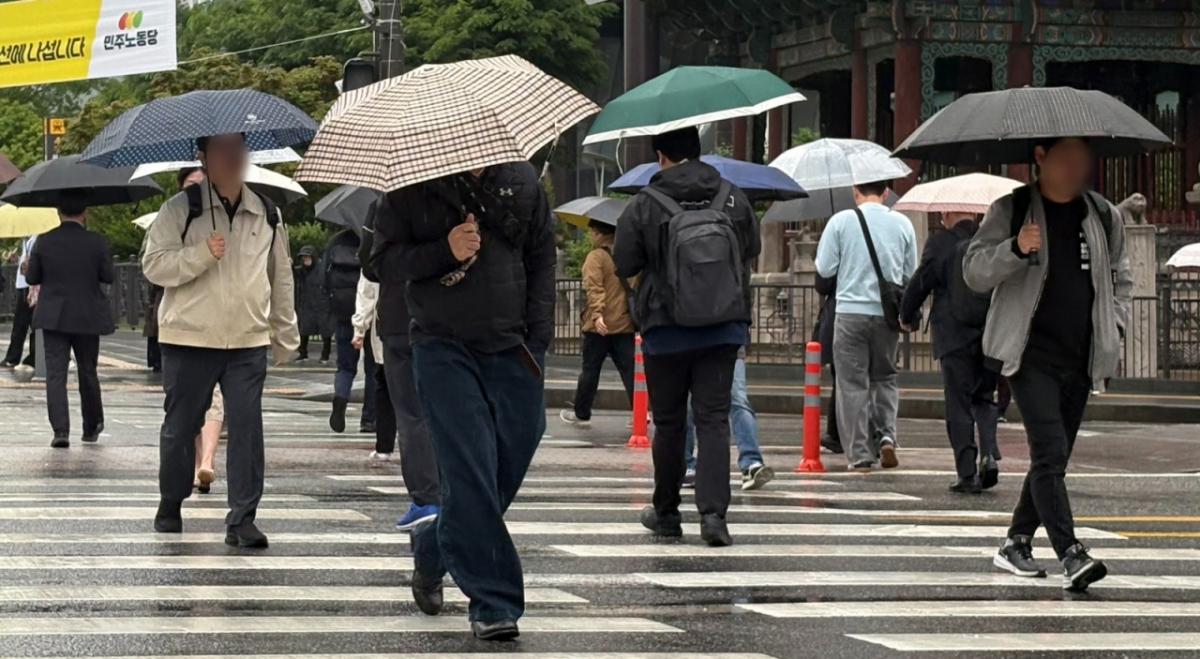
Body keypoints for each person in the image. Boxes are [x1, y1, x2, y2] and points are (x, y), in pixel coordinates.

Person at [371, 161, 553, 641]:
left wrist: (538, 339)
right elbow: (381, 262)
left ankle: (432, 543)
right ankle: (494, 602)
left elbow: (542, 256)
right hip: (441, 345)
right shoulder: (411, 185)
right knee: (471, 468)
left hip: (513, 345)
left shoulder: (522, 180)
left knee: (509, 459)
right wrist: (443, 250)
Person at [964, 136, 1131, 592]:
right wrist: (1015, 248)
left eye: (1084, 159)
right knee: (1051, 453)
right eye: (1067, 159)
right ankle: (1071, 553)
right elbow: (974, 272)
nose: (1078, 168)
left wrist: (1114, 327)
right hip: (1028, 355)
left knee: (1051, 460)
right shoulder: (1012, 209)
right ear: (1041, 157)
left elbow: (1123, 276)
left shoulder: (1101, 214)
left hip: (1081, 357)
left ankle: (1015, 541)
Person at [143, 132, 299, 548]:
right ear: (204, 156)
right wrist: (200, 255)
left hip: (247, 339)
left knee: (248, 428)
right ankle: (170, 502)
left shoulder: (267, 213)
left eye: (238, 149)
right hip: (189, 338)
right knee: (181, 427)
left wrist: (285, 334)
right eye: (222, 150)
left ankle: (242, 519)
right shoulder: (181, 210)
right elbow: (153, 266)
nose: (232, 157)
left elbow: (279, 276)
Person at [613, 126, 761, 548]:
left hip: (666, 328)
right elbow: (750, 248)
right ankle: (714, 516)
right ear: (699, 153)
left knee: (670, 423)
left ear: (660, 156)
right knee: (713, 419)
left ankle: (666, 511)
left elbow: (624, 261)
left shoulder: (646, 202)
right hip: (723, 324)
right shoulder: (731, 195)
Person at [815, 181, 917, 473]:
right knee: (885, 377)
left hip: (849, 313)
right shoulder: (902, 223)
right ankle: (887, 434)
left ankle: (860, 454)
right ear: (886, 193)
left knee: (851, 384)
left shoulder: (841, 221)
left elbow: (824, 269)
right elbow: (910, 272)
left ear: (855, 192)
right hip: (886, 315)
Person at [901, 211, 999, 494]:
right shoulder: (991, 240)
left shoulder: (940, 243)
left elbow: (922, 281)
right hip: (990, 333)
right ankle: (989, 454)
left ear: (948, 214)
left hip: (954, 335)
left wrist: (907, 314)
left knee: (958, 401)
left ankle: (966, 473)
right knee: (984, 397)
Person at [359, 208, 440, 533]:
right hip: (446, 318)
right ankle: (453, 490)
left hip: (398, 317)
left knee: (410, 413)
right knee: (444, 411)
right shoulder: (458, 193)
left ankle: (426, 496)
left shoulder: (387, 201)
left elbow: (371, 264)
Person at [24, 192, 114, 448]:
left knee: (55, 374)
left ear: (58, 212)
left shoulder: (45, 241)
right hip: (87, 315)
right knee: (88, 370)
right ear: (84, 211)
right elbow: (108, 276)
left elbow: (32, 278)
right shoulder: (97, 242)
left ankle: (60, 430)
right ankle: (92, 425)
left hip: (54, 315)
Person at [559, 219, 635, 428]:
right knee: (631, 372)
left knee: (590, 370)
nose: (591, 236)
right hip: (625, 323)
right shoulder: (629, 256)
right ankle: (639, 413)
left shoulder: (596, 257)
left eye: (592, 232)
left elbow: (594, 287)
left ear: (600, 233)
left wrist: (597, 314)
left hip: (598, 327)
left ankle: (582, 412)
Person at [682, 347, 774, 490]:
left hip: (728, 342)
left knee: (739, 401)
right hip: (691, 343)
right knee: (686, 405)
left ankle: (750, 463)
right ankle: (686, 464)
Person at [325, 227, 376, 434]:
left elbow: (324, 278)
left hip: (343, 311)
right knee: (373, 368)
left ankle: (341, 397)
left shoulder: (336, 241)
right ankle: (369, 419)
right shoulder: (375, 238)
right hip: (371, 314)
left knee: (345, 367)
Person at [350, 272, 395, 462]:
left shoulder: (376, 248)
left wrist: (360, 328)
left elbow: (366, 293)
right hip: (419, 324)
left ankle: (384, 446)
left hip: (386, 326)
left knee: (385, 388)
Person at [814, 274, 842, 454]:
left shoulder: (839, 244)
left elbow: (823, 283)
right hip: (880, 310)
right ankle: (883, 434)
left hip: (844, 310)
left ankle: (838, 434)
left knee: (843, 380)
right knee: (881, 379)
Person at [3, 233, 37, 368]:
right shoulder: (26, 240)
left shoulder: (38, 238)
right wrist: (16, 259)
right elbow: (24, 263)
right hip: (23, 284)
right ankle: (13, 357)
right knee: (20, 323)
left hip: (32, 286)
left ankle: (32, 357)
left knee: (33, 323)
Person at [294, 245, 331, 363]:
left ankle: (325, 354)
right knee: (304, 329)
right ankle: (303, 353)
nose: (305, 259)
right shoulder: (304, 270)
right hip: (308, 302)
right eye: (303, 257)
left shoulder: (322, 268)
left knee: (325, 330)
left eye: (307, 256)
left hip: (321, 302)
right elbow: (295, 274)